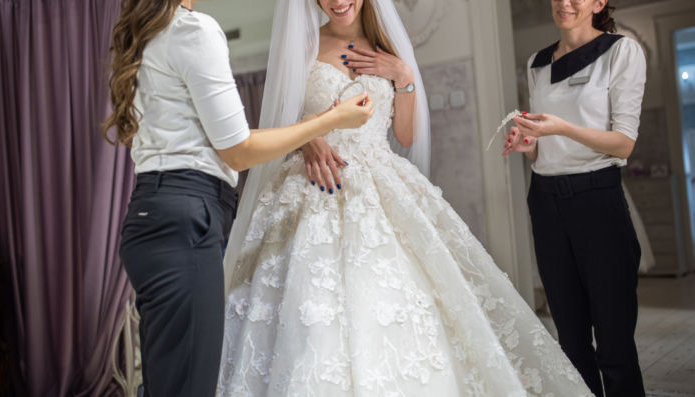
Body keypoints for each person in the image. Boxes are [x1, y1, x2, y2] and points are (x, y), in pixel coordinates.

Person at [216, 0, 593, 395]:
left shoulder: (390, 50)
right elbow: (280, 121)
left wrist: (404, 76)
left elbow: (406, 136)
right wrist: (308, 138)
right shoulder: (304, 45)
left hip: (380, 184)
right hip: (313, 186)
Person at [102, 0, 374, 394]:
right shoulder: (194, 31)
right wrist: (331, 120)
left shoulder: (145, 37)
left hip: (151, 217)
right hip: (185, 219)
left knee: (167, 384)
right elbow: (239, 151)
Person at [502, 0, 647, 394]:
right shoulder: (537, 63)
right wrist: (528, 142)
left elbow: (623, 144)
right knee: (570, 344)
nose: (565, 3)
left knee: (614, 345)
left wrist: (564, 128)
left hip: (597, 199)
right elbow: (543, 143)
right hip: (547, 202)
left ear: (598, 3)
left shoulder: (621, 51)